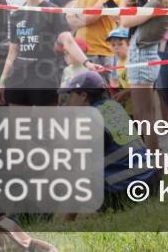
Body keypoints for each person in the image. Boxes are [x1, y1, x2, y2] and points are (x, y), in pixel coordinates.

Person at [0, 0, 101, 106]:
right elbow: (12, 52)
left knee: (46, 117)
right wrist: (2, 81)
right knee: (18, 118)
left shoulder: (52, 10)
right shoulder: (16, 15)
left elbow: (68, 41)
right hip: (19, 75)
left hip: (44, 74)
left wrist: (87, 63)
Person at [59, 70, 158, 206]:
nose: (69, 101)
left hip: (126, 191)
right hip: (153, 181)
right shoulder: (114, 107)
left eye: (71, 95)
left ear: (83, 96)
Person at [118, 0, 168, 150]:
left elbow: (126, 21)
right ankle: (152, 155)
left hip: (142, 58)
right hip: (144, 56)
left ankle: (153, 157)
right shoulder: (158, 2)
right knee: (144, 113)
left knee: (144, 115)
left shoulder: (155, 4)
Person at [107, 27, 132, 112]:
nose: (116, 48)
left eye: (120, 44)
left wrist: (125, 93)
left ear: (128, 44)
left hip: (139, 106)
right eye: (113, 45)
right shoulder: (117, 64)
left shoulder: (132, 61)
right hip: (128, 107)